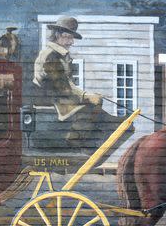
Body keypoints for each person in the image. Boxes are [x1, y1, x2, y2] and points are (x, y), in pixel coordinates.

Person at [32, 16, 130, 150]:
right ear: (58, 35)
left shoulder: (60, 55)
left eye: (71, 38)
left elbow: (67, 83)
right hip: (49, 98)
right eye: (69, 37)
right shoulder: (51, 56)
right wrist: (85, 95)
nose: (71, 42)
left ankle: (107, 126)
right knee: (87, 108)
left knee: (96, 102)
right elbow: (62, 86)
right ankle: (73, 143)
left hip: (58, 95)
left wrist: (87, 95)